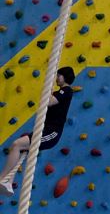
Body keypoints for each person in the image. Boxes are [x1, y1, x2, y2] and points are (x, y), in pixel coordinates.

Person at [0, 67, 75, 197]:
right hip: (45, 131)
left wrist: (49, 90)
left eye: (59, 75)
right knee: (16, 146)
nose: (57, 78)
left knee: (17, 144)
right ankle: (8, 181)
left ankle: (4, 179)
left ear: (65, 77)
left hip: (52, 134)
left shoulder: (66, 90)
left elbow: (50, 102)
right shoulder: (60, 92)